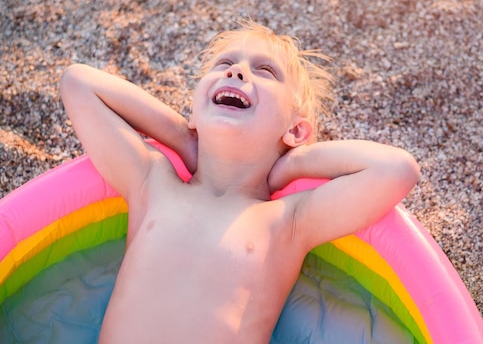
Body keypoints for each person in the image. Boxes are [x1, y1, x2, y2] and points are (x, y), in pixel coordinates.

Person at [60, 20, 420, 344]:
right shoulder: (151, 183)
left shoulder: (287, 221)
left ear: (295, 130)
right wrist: (183, 138)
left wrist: (296, 163)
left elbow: (396, 170)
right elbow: (78, 83)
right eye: (224, 64)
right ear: (196, 110)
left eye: (265, 71)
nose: (236, 71)